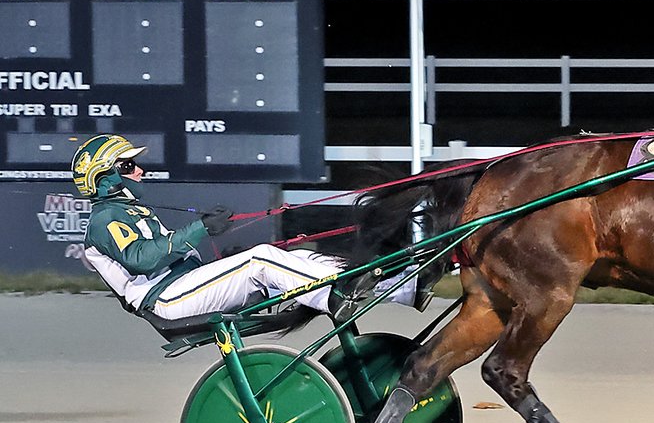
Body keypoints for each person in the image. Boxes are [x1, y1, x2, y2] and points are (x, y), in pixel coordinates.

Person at [72, 134, 417, 322]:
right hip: (165, 299)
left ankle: (404, 287)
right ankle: (333, 296)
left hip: (184, 285)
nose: (139, 170)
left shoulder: (127, 210)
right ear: (105, 177)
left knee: (302, 257)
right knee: (262, 259)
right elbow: (142, 259)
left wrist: (215, 249)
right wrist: (199, 228)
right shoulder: (105, 219)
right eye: (128, 166)